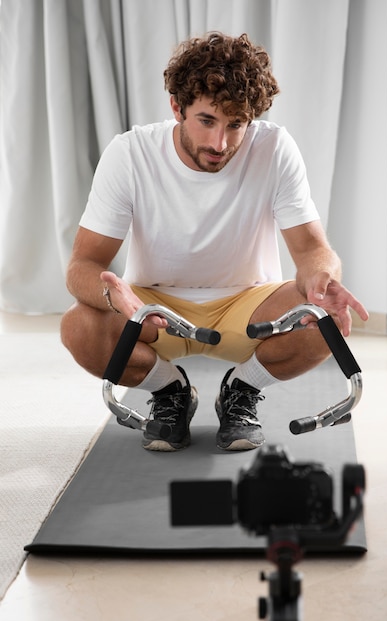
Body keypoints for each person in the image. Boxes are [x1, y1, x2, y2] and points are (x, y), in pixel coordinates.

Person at [61, 32, 368, 453]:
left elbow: (313, 250)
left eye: (236, 124)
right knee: (79, 327)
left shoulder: (275, 147)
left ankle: (240, 390)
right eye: (207, 120)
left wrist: (324, 280)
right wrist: (117, 300)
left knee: (324, 317)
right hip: (155, 308)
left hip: (249, 306)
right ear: (177, 108)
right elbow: (81, 266)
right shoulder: (129, 154)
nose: (219, 144)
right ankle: (171, 393)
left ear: (251, 119)